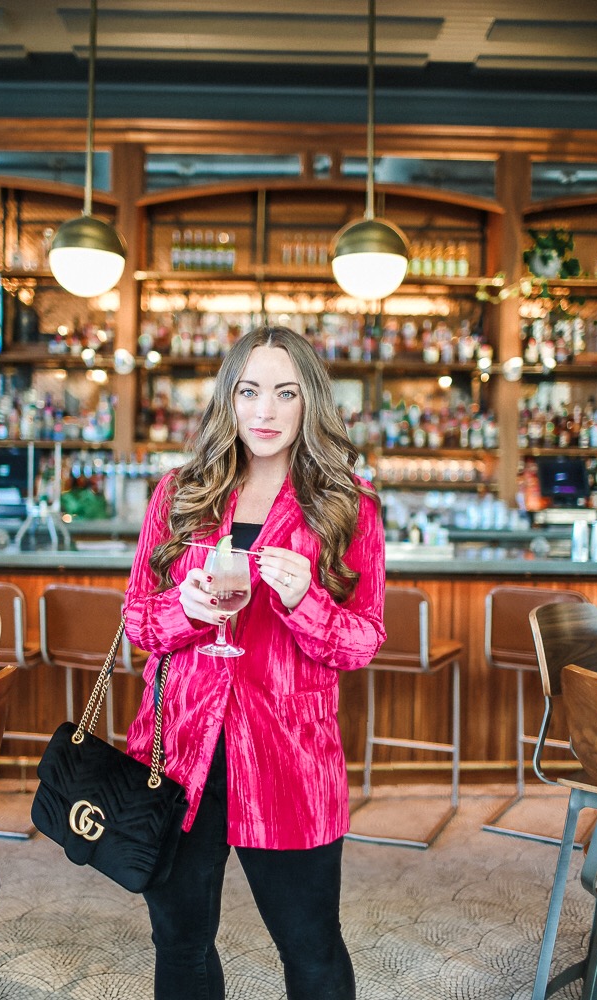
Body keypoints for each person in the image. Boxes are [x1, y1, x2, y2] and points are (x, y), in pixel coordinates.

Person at [124, 324, 386, 1000]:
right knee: (178, 943)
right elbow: (137, 623)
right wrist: (186, 611)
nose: (265, 412)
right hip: (178, 752)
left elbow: (361, 642)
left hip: (289, 759)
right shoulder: (179, 493)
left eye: (285, 393)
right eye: (249, 391)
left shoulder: (347, 506)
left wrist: (304, 602)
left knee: (312, 949)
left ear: (310, 402)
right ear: (228, 399)